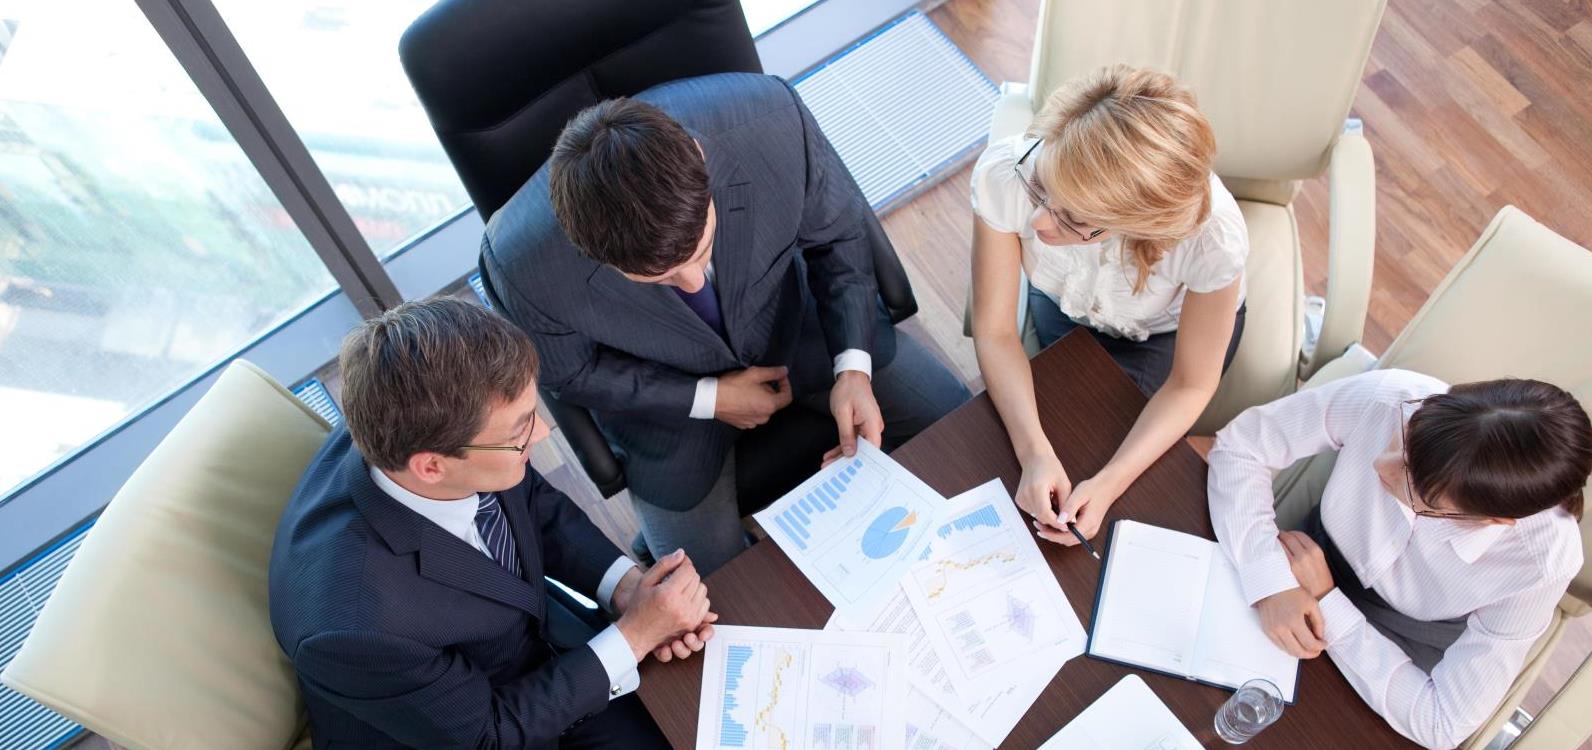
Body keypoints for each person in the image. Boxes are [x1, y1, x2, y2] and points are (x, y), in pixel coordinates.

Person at [482, 72, 969, 574]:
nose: (693, 281)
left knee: (966, 435)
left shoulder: (774, 120)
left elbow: (840, 236)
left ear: (700, 158)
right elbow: (573, 374)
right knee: (713, 589)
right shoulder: (518, 265)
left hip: (803, 330)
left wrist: (853, 369)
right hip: (668, 408)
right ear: (589, 252)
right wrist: (711, 398)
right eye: (662, 279)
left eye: (701, 252)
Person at [269, 297, 716, 749]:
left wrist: (627, 590)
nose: (542, 433)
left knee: (698, 701)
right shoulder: (355, 629)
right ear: (431, 467)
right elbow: (487, 736)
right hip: (477, 726)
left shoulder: (419, 417)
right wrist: (636, 636)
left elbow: (533, 503)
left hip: (533, 643)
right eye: (520, 430)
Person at [1208, 369, 1591, 749]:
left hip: (1392, 654)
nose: (1383, 463)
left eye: (1414, 484)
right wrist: (1271, 580)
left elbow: (1443, 723)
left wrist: (1327, 601)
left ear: (1491, 520)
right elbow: (1241, 446)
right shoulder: (1394, 398)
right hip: (1300, 566)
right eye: (1405, 438)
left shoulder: (1542, 562)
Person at [968, 64, 1248, 546]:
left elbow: (1191, 384)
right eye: (1042, 187)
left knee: (1103, 471)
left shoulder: (1212, 241)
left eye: (1075, 220)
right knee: (1040, 446)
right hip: (1064, 308)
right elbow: (994, 331)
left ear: (1138, 225)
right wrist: (1034, 452)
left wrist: (1109, 484)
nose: (1037, 224)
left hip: (1164, 336)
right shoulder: (1008, 175)